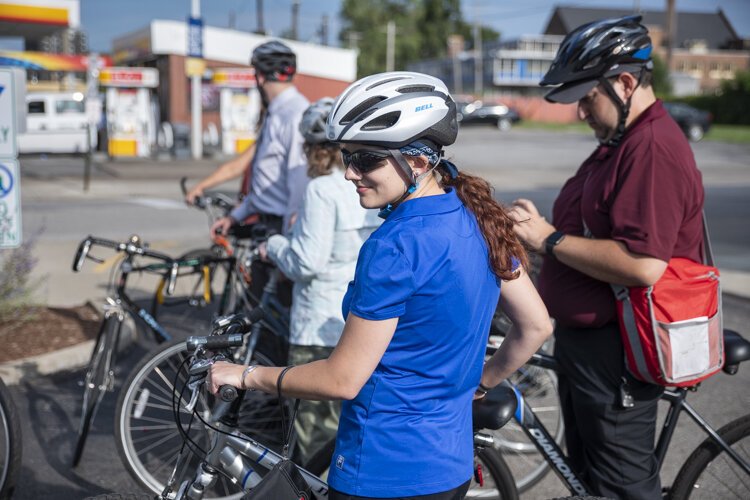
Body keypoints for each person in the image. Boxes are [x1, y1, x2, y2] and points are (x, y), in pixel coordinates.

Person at [210, 71, 552, 499]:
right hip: (451, 465)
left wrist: (246, 375)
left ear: (419, 160)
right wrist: (480, 383)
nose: (350, 173)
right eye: (345, 156)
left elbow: (342, 380)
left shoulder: (394, 246)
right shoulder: (478, 216)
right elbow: (536, 325)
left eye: (366, 158)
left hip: (383, 469)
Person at [508, 16, 706, 500]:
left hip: (618, 350)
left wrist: (549, 240)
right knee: (591, 483)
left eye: (586, 97)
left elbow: (642, 264)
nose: (580, 112)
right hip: (590, 345)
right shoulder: (619, 142)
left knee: (622, 489)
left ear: (624, 83)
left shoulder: (653, 149)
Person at [258, 97, 381, 465]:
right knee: (351, 432)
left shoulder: (321, 190)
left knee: (316, 439)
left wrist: (275, 245)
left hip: (317, 328)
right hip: (361, 325)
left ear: (314, 150)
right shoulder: (372, 185)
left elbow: (306, 262)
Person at [185, 40, 309, 237]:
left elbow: (299, 182)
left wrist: (289, 238)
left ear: (259, 77)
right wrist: (234, 217)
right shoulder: (277, 114)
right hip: (264, 223)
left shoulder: (293, 115)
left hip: (278, 229)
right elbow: (265, 182)